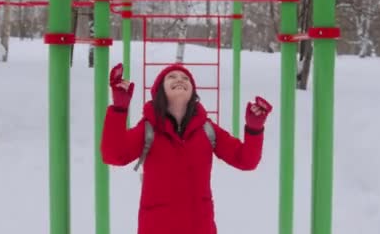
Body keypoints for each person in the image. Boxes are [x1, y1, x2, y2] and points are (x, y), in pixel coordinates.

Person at [101, 62, 273, 234]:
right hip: (156, 228)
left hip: (200, 227)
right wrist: (119, 108)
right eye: (172, 77)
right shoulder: (149, 128)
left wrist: (254, 129)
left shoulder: (207, 129)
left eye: (185, 78)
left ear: (192, 93)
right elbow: (113, 155)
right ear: (160, 90)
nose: (180, 79)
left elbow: (246, 160)